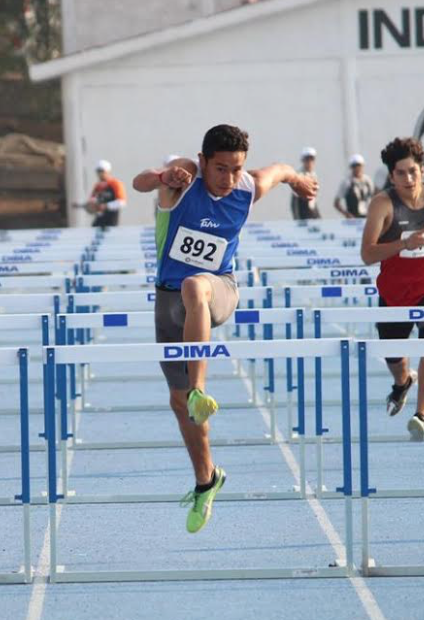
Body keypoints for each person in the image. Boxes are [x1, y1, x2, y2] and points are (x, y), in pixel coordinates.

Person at [131, 124, 317, 533]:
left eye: (236, 169)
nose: (230, 179)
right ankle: (206, 480)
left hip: (219, 290)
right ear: (202, 162)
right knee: (178, 405)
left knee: (195, 284)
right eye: (221, 169)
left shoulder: (247, 187)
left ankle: (201, 389)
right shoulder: (185, 176)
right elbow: (139, 181)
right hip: (168, 303)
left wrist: (299, 181)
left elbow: (281, 170)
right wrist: (164, 178)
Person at [360, 137, 424, 442]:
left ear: (422, 169)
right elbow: (367, 254)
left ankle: (422, 415)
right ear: (391, 176)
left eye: (413, 171)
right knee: (394, 356)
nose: (409, 178)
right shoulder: (382, 204)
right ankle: (402, 383)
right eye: (401, 173)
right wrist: (404, 243)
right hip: (395, 291)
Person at [333, 154, 376, 219]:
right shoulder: (346, 182)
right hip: (353, 219)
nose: (357, 168)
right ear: (351, 167)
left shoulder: (368, 180)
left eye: (359, 165)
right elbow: (336, 203)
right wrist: (346, 214)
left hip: (368, 217)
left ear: (363, 166)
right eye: (354, 166)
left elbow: (375, 196)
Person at [87, 160, 127, 228]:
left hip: (111, 220)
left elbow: (122, 202)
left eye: (102, 171)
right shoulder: (98, 186)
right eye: (98, 171)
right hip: (100, 218)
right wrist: (91, 206)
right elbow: (92, 200)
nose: (100, 174)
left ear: (108, 171)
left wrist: (106, 206)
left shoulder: (115, 184)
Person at [290, 147, 320, 220]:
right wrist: (296, 218)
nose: (309, 162)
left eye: (311, 159)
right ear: (303, 161)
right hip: (302, 210)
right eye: (307, 160)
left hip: (312, 209)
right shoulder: (299, 175)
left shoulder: (313, 175)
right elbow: (295, 199)